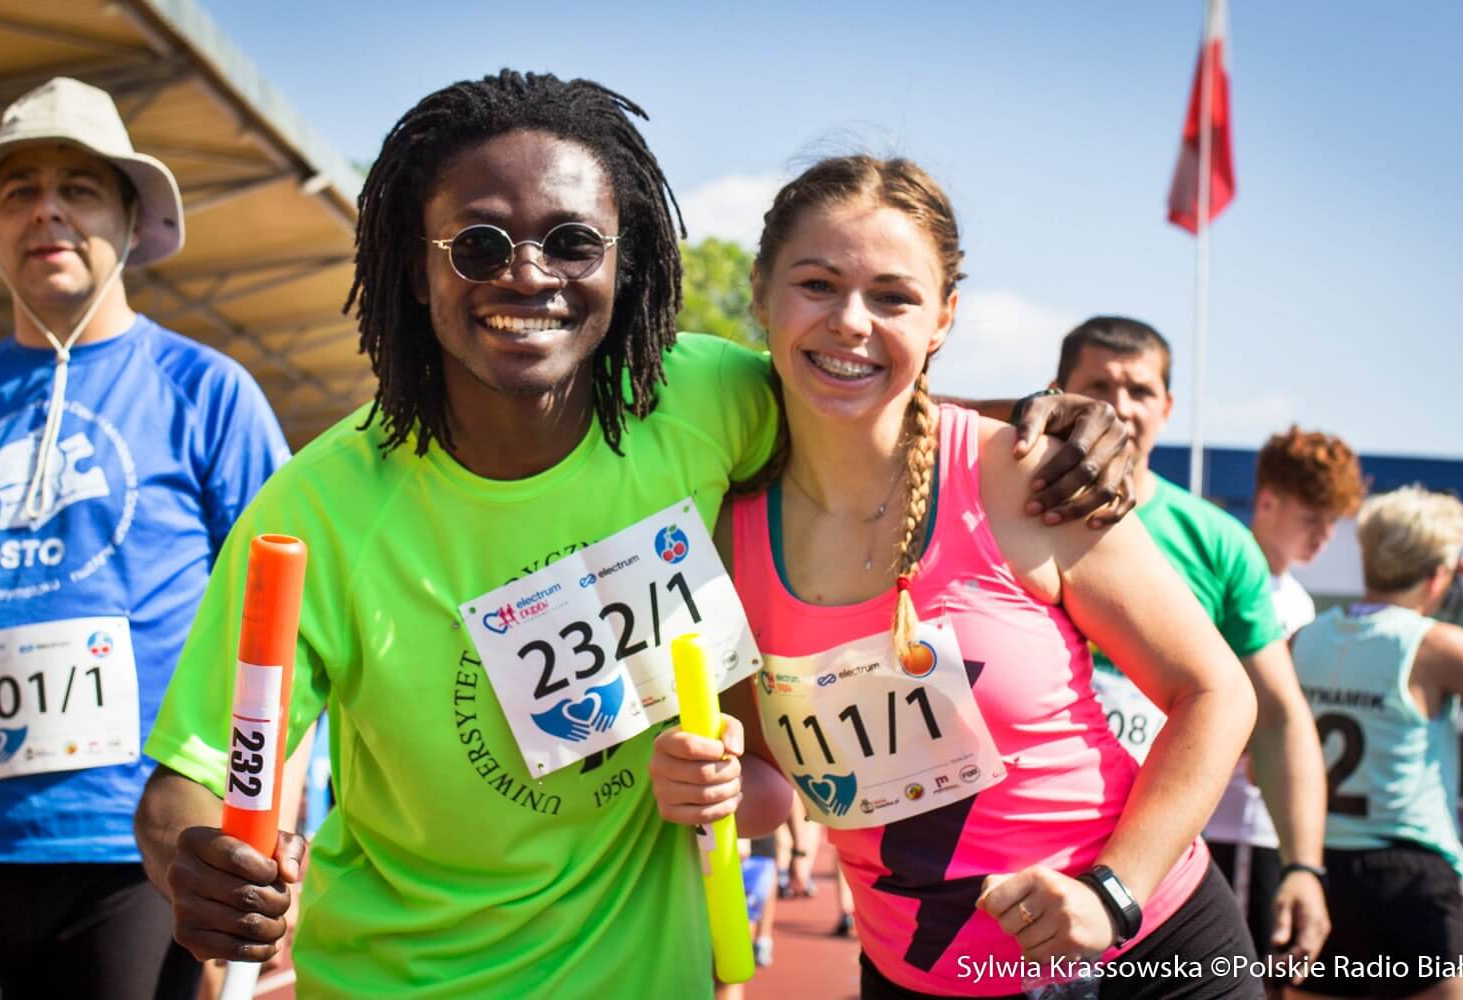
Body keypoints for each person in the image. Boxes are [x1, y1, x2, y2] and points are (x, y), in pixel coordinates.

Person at [132, 71, 1133, 1000]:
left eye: (572, 242)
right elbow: (189, 782)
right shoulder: (315, 507)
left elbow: (859, 390)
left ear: (627, 261)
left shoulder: (697, 398)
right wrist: (193, 864)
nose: (527, 275)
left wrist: (1046, 417)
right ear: (416, 270)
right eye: (478, 246)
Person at [649, 155, 1262, 998]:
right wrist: (707, 779)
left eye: (893, 297)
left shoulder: (1026, 474)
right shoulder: (728, 534)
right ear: (761, 293)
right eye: (818, 284)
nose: (851, 322)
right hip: (914, 978)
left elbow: (1217, 693)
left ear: (943, 318)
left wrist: (1112, 894)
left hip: (1147, 958)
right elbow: (765, 784)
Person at [0, 77, 289, 999]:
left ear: (130, 220)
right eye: (17, 192)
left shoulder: (208, 392)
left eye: (78, 189)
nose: (46, 211)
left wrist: (259, 837)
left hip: (138, 848)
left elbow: (281, 630)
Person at [1052, 318, 1331, 973]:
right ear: (1057, 393)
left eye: (1140, 391)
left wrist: (1303, 866)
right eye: (1098, 386)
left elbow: (1280, 715)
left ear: (1168, 407)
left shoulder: (1219, 541)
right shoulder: (1003, 508)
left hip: (1155, 874)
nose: (1119, 407)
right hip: (1010, 858)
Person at [1287, 487, 1463, 1000]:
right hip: (1408, 873)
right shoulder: (1435, 645)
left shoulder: (1304, 639)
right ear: (1439, 576)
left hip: (1319, 867)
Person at [1201, 426, 1364, 969]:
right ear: (1268, 501)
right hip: (1211, 824)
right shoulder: (1215, 576)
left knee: (1274, 976)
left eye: (1333, 521)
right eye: (1313, 518)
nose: (1325, 536)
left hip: (1269, 828)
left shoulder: (1299, 601)